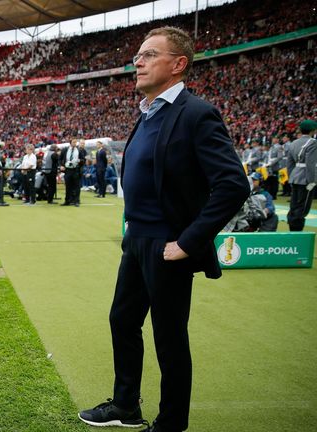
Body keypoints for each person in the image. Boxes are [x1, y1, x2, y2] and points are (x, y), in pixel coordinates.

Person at [78, 27, 249, 432]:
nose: (137, 61)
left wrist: (188, 242)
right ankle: (125, 406)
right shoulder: (146, 111)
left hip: (168, 244)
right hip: (136, 239)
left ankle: (171, 422)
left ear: (178, 64)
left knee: (169, 338)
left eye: (149, 54)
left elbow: (233, 185)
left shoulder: (195, 113)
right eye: (138, 55)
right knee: (122, 320)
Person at [286, 119, 317, 232]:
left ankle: (292, 229)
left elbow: (289, 164)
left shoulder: (294, 143)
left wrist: (291, 178)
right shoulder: (312, 142)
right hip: (305, 179)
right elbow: (310, 164)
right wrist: (312, 181)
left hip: (295, 177)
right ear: (313, 130)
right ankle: (297, 233)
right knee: (302, 207)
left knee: (294, 206)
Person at [59, 139, 86, 207]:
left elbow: (83, 160)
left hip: (75, 170)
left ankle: (76, 201)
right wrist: (61, 166)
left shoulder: (79, 150)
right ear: (70, 143)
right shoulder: (65, 150)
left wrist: (80, 161)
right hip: (67, 170)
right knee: (68, 186)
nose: (75, 143)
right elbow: (60, 159)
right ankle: (67, 201)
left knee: (77, 186)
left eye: (76, 142)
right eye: (73, 142)